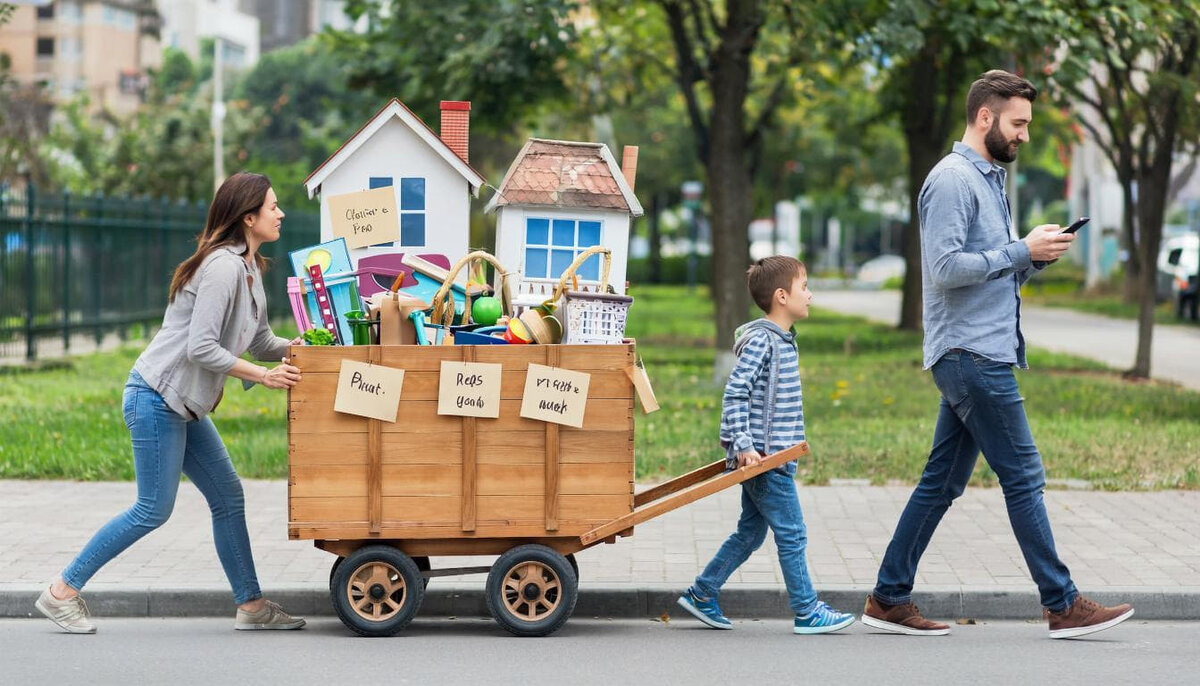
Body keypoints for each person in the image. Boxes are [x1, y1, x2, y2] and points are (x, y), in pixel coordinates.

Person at [861, 70, 1134, 639]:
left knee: (941, 483)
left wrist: (1033, 258)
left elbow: (991, 273)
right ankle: (1061, 603)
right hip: (970, 357)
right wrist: (1018, 249)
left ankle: (888, 597)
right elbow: (943, 271)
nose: (1025, 136)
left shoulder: (990, 180)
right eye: (1018, 124)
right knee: (1024, 474)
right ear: (985, 118)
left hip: (978, 351)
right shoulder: (953, 180)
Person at [36, 172, 307, 634]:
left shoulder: (250, 267)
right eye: (273, 206)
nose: (280, 213)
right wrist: (264, 377)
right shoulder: (222, 267)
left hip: (183, 404)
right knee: (152, 509)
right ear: (248, 216)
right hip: (156, 397)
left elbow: (260, 340)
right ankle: (62, 592)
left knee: (227, 497)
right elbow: (201, 348)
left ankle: (252, 606)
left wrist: (307, 348)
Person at [677, 256, 855, 634]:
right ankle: (807, 610)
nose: (810, 294)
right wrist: (743, 445)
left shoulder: (781, 340)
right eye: (803, 287)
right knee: (792, 532)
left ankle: (702, 593)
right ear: (781, 296)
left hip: (774, 457)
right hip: (763, 460)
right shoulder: (763, 341)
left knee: (751, 532)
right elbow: (735, 392)